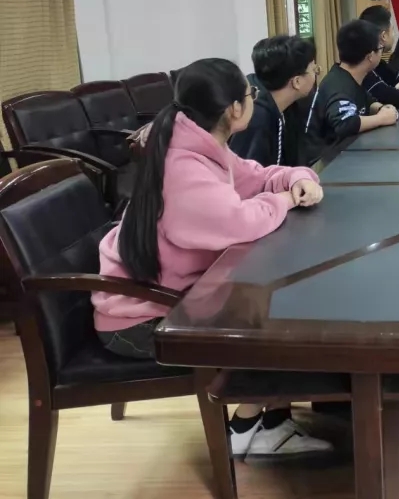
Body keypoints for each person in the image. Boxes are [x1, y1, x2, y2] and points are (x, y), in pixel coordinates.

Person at [93, 59, 332, 460]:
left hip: (171, 290)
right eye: (250, 94)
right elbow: (240, 221)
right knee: (278, 321)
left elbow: (256, 176)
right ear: (234, 109)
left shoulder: (201, 144)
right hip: (140, 318)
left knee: (276, 303)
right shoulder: (185, 165)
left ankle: (271, 424)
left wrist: (297, 178)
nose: (254, 99)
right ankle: (244, 427)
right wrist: (285, 200)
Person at [304, 18, 399, 163]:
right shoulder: (338, 86)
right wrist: (382, 118)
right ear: (370, 56)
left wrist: (381, 108)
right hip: (323, 164)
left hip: (344, 154)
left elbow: (366, 101)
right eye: (380, 48)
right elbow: (345, 124)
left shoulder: (349, 75)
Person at [229, 35, 318, 167]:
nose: (315, 76)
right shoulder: (255, 117)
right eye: (314, 70)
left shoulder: (288, 106)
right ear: (297, 82)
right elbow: (246, 174)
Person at [357, 5, 399, 108]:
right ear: (383, 36)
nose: (394, 35)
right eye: (392, 30)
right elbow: (389, 96)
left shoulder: (380, 64)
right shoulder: (365, 66)